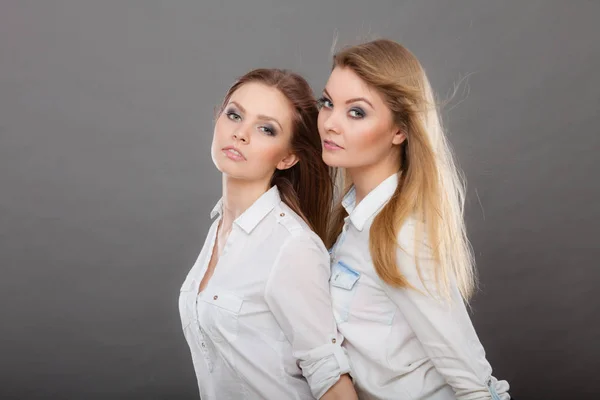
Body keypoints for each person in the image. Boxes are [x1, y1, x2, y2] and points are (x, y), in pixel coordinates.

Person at [317, 39, 511, 399]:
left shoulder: (401, 236)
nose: (330, 123)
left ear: (399, 130)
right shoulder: (349, 223)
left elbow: (474, 383)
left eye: (356, 112)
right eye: (327, 103)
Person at [178, 68, 357, 399]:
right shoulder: (220, 227)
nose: (241, 134)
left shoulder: (291, 246)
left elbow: (331, 380)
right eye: (234, 115)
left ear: (288, 157)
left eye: (266, 129)